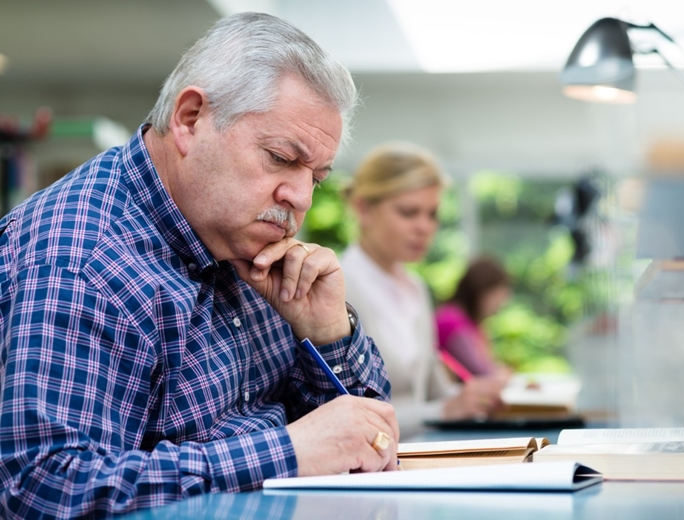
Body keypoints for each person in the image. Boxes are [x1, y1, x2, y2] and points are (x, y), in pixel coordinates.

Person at [0, 13, 399, 518]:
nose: (299, 198)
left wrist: (327, 334)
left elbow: (365, 437)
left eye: (315, 177)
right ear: (189, 119)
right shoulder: (84, 255)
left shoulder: (240, 238)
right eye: (280, 157)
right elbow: (44, 489)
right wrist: (289, 452)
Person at [340, 142, 506, 438]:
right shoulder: (338, 287)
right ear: (363, 208)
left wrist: (477, 395)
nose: (424, 227)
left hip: (419, 456)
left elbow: (436, 390)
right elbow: (346, 414)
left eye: (432, 214)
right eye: (408, 212)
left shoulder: (415, 289)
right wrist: (442, 411)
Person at [435, 256, 513, 380]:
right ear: (480, 290)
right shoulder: (451, 320)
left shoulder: (470, 322)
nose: (499, 305)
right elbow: (481, 372)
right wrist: (501, 373)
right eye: (496, 296)